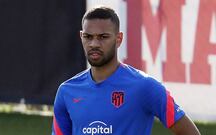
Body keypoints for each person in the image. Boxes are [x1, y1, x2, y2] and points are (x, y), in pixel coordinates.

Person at [52, 6, 200, 135]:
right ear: (81, 36)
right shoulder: (67, 91)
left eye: (103, 37)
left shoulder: (145, 86)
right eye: (88, 37)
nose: (94, 43)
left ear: (119, 39)